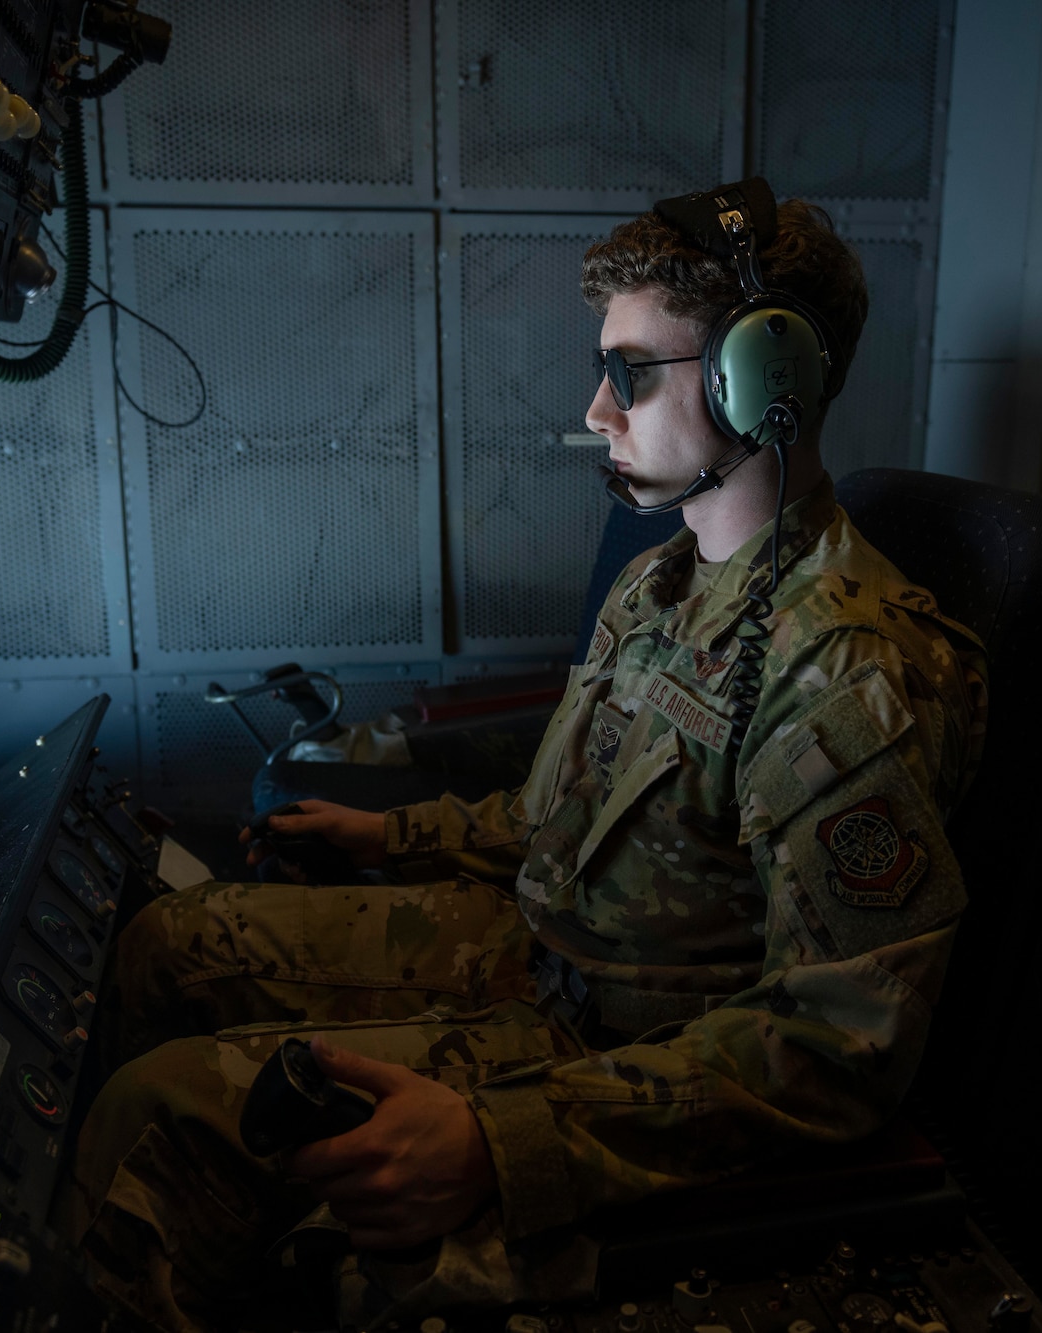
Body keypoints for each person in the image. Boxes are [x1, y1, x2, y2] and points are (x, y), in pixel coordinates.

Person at [58, 184, 991, 1333]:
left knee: (159, 1112)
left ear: (764, 381)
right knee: (166, 946)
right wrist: (388, 834)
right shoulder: (665, 583)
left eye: (632, 372)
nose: (595, 408)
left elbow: (837, 1044)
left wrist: (501, 1141)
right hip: (532, 952)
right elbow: (573, 815)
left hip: (621, 1053)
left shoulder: (841, 670)